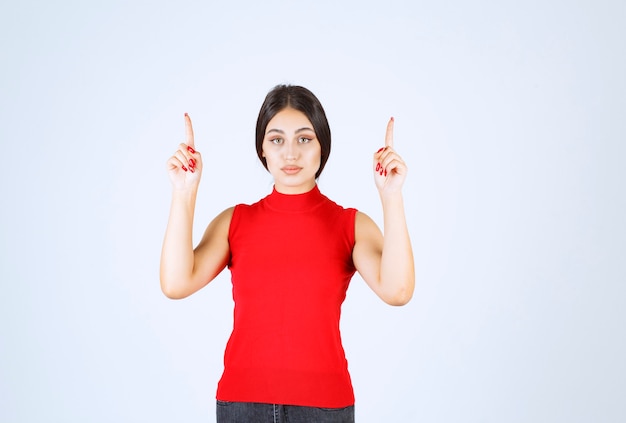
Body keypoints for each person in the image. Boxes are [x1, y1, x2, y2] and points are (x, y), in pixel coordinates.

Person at [160, 85, 414, 423]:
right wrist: (184, 191)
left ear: (322, 146)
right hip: (241, 405)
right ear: (262, 149)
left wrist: (391, 196)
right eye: (277, 139)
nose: (290, 153)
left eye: (305, 139)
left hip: (324, 407)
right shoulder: (235, 221)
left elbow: (397, 291)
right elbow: (176, 283)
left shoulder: (350, 225)